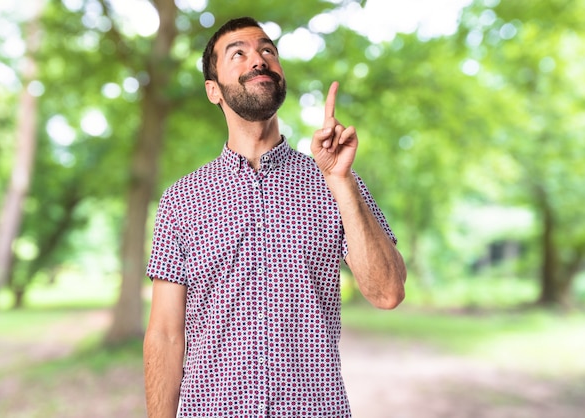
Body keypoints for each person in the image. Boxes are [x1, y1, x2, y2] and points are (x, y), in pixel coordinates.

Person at [143, 16, 406, 418]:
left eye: (268, 51)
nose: (259, 60)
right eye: (239, 54)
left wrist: (340, 180)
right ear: (213, 91)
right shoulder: (181, 200)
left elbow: (388, 292)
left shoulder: (335, 181)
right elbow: (163, 335)